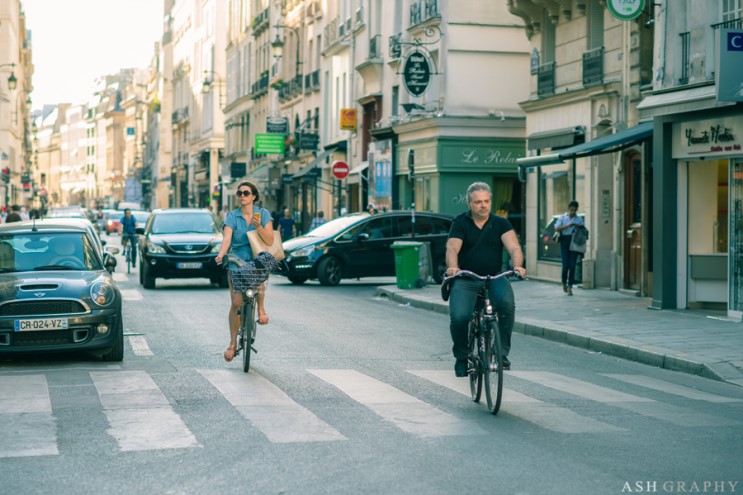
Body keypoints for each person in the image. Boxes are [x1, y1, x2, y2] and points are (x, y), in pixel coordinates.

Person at [445, 182, 526, 377]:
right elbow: (452, 248)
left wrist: (517, 265)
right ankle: (462, 358)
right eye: (478, 202)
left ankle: (502, 355)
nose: (483, 205)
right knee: (460, 317)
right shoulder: (460, 222)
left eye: (487, 201)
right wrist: (453, 267)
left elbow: (514, 247)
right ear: (469, 203)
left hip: (494, 276)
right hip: (466, 278)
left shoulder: (501, 223)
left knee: (507, 306)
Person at [215, 181, 274, 363]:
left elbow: (270, 240)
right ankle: (232, 343)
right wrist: (221, 254)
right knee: (236, 303)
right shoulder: (233, 217)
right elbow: (227, 238)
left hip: (256, 257)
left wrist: (258, 226)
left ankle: (261, 310)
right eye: (239, 193)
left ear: (253, 196)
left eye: (246, 193)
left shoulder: (263, 215)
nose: (242, 196)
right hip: (237, 260)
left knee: (259, 269)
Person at [554, 200, 584, 296]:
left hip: (574, 241)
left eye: (574, 210)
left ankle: (570, 286)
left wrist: (577, 227)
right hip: (564, 241)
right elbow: (556, 228)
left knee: (572, 265)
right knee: (565, 265)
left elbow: (583, 231)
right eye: (571, 210)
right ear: (568, 209)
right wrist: (568, 225)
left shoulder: (578, 219)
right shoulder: (563, 217)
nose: (572, 212)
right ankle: (564, 282)